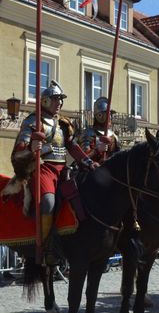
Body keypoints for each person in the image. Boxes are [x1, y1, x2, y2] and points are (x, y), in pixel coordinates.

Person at [12, 80, 97, 266]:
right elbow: (19, 153)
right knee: (48, 202)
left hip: (63, 169)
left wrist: (89, 162)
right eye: (56, 99)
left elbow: (72, 146)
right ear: (45, 101)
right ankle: (44, 247)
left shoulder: (63, 124)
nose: (60, 103)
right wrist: (33, 149)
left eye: (61, 99)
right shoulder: (33, 121)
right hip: (42, 168)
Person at [80, 97, 120, 164]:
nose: (110, 117)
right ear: (99, 115)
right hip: (92, 170)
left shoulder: (114, 137)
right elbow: (83, 158)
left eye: (110, 114)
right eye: (107, 114)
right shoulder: (88, 133)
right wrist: (97, 150)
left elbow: (119, 158)